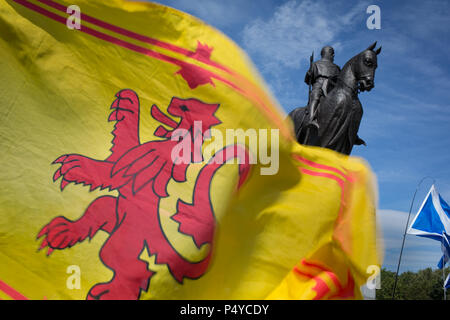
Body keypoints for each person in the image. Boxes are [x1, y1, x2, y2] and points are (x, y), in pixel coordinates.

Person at [304, 46, 340, 130]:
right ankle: (311, 119)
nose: (333, 55)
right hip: (319, 84)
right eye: (332, 53)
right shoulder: (316, 64)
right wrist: (309, 73)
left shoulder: (337, 68)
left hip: (332, 89)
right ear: (327, 53)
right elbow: (307, 80)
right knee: (315, 96)